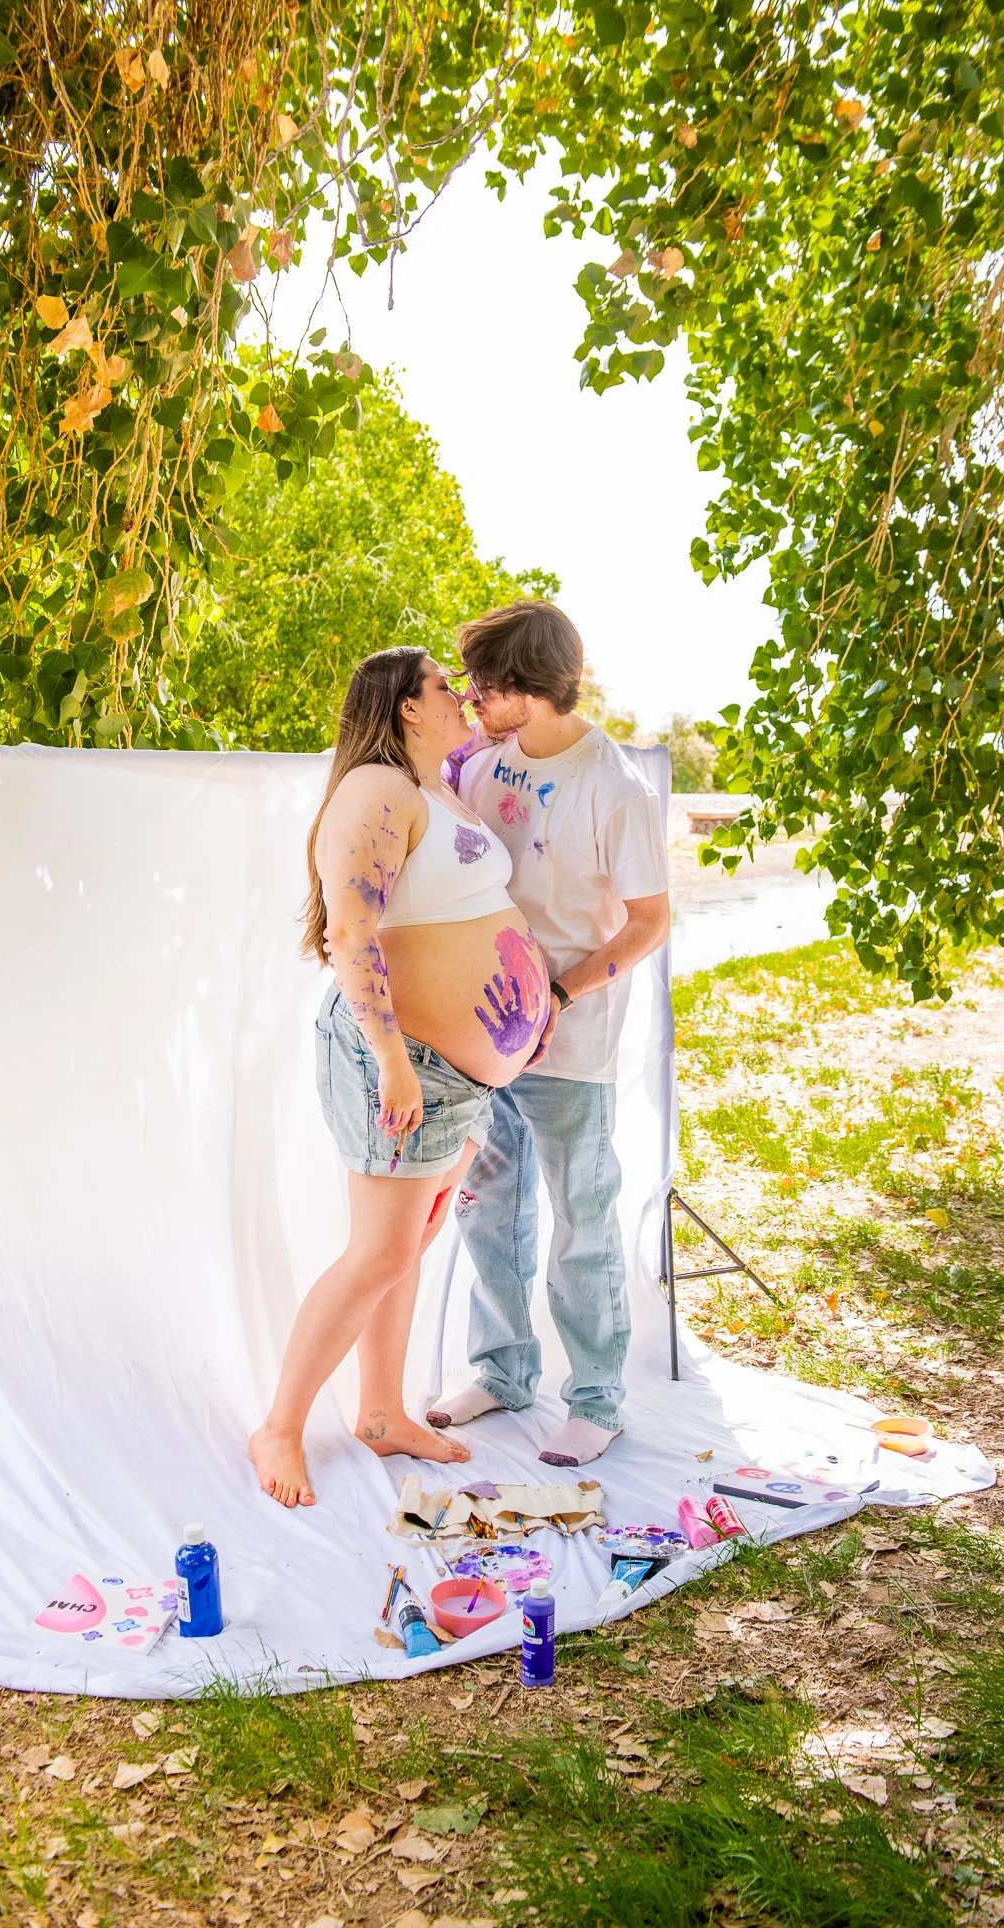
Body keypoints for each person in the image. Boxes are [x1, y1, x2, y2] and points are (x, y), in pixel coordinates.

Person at [249, 646, 550, 1509]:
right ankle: (280, 1426)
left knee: (408, 1245)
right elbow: (351, 934)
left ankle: (380, 1413)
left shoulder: (435, 790)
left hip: (454, 1074)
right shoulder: (376, 789)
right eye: (442, 687)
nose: (459, 696)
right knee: (379, 1249)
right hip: (400, 1059)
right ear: (406, 707)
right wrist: (388, 1061)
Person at [427, 602, 670, 1466]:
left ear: (524, 688)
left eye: (482, 686)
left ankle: (597, 1400)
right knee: (489, 1209)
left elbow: (648, 923)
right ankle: (501, 1373)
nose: (470, 699)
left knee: (581, 1222)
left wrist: (559, 994)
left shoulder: (616, 788)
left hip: (571, 1040)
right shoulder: (480, 767)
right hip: (480, 1036)